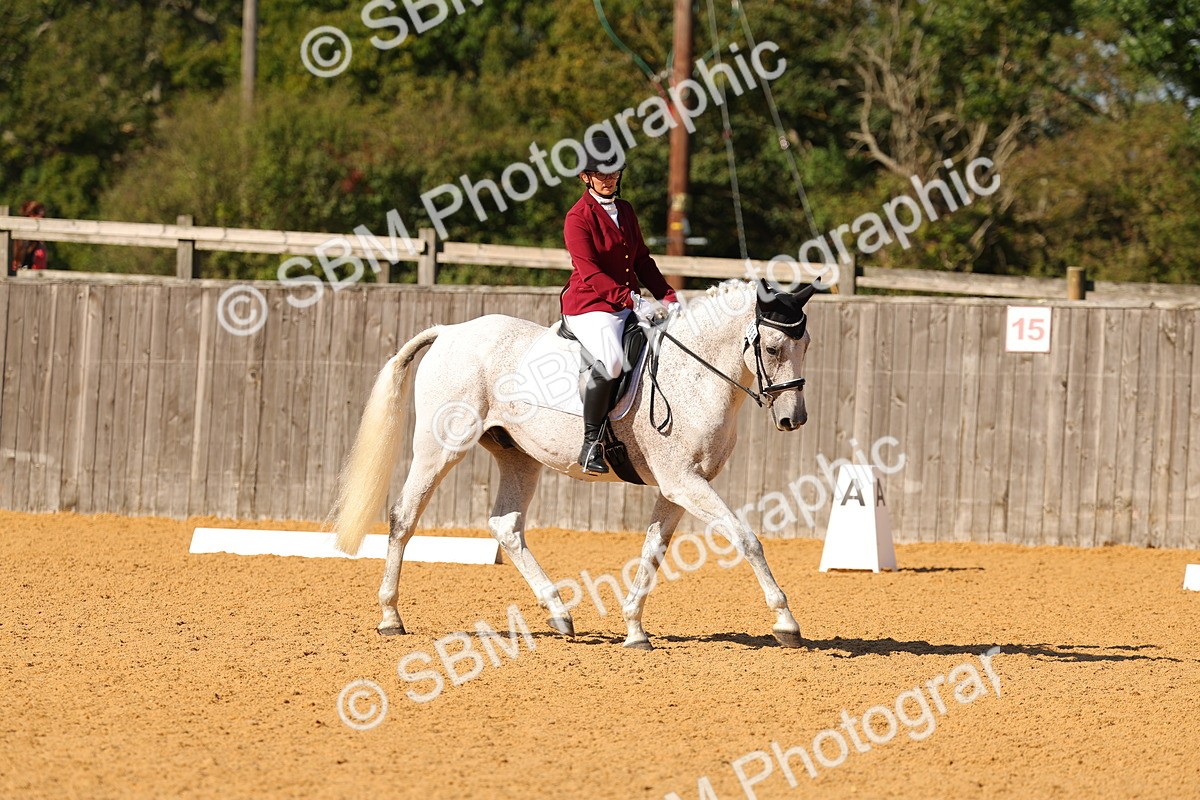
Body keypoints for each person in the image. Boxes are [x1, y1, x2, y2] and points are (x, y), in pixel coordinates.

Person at [561, 134, 681, 475]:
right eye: (602, 173)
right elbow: (591, 273)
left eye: (614, 172)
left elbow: (641, 259)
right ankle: (590, 444)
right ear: (585, 177)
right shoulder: (577, 217)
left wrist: (668, 295)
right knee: (613, 360)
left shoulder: (625, 210)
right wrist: (633, 300)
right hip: (590, 305)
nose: (609, 179)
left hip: (627, 303)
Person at [10, 200, 48, 275]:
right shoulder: (16, 239)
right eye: (36, 213)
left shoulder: (40, 242)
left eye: (43, 216)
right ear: (28, 215)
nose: (40, 217)